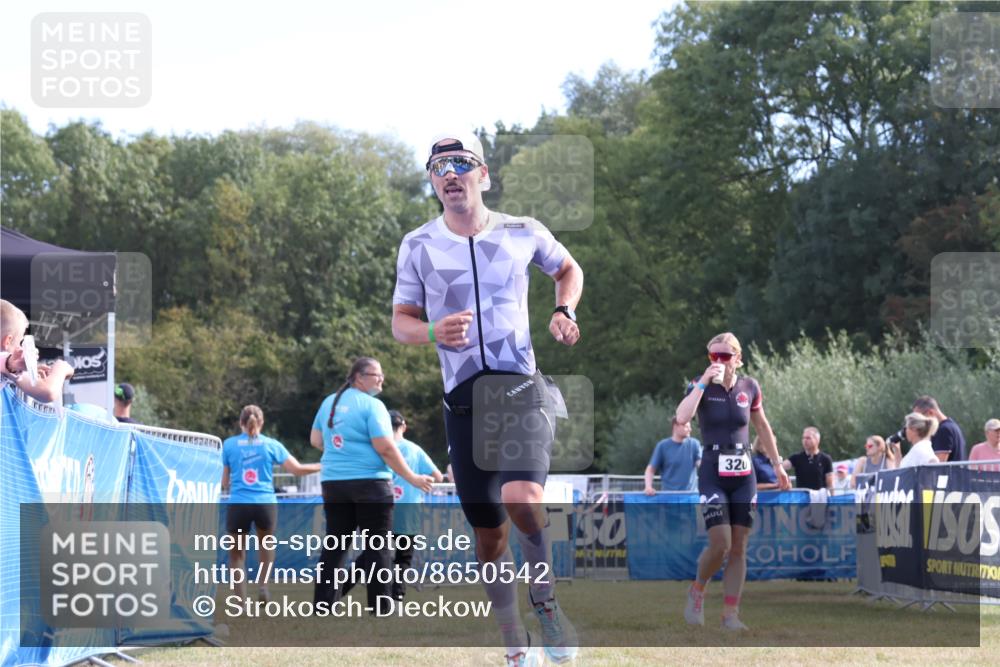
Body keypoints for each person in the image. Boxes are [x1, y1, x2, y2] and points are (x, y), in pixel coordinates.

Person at [391, 132, 584, 666]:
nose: (448, 173)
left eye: (460, 162)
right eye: (437, 166)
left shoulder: (524, 232)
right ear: (433, 182)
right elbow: (401, 324)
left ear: (484, 175)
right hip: (464, 402)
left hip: (521, 388)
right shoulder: (418, 244)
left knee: (524, 498)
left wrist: (564, 311)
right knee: (489, 536)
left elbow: (570, 269)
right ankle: (512, 640)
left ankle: (546, 604)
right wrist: (433, 332)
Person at [674, 332, 790, 631]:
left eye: (725, 356)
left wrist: (778, 465)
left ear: (738, 359)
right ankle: (697, 590)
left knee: (738, 546)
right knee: (720, 543)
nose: (719, 362)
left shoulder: (749, 387)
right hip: (713, 471)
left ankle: (730, 614)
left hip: (743, 472)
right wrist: (702, 382)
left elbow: (762, 426)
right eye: (714, 356)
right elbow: (682, 417)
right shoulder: (700, 386)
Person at [310, 357, 434, 615]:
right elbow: (386, 448)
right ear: (358, 377)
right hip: (370, 484)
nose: (381, 379)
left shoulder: (328, 403)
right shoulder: (373, 405)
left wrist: (344, 452)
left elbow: (316, 440)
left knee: (335, 546)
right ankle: (380, 607)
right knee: (377, 546)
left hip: (334, 483)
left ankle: (323, 605)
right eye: (376, 374)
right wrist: (413, 478)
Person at [221, 405, 321, 602]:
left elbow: (224, 483)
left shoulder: (229, 445)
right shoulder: (271, 445)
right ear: (262, 423)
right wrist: (323, 465)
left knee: (236, 555)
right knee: (266, 547)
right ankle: (263, 586)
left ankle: (240, 603)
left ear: (240, 422)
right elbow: (297, 470)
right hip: (265, 504)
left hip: (239, 503)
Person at [387, 410, 443, 600]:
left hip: (381, 504)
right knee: (404, 556)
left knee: (377, 553)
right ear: (403, 426)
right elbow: (437, 476)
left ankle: (379, 595)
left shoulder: (379, 447)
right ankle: (398, 597)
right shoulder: (414, 449)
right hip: (409, 506)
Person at [0, 299, 75, 403]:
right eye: (20, 341)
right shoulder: (5, 361)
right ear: (7, 341)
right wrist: (61, 369)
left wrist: (26, 371)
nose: (19, 347)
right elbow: (47, 392)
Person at [644, 417, 701, 494]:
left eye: (689, 427)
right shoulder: (662, 446)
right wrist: (648, 487)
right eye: (686, 426)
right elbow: (650, 469)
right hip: (669, 498)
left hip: (690, 498)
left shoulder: (694, 444)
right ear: (675, 426)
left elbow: (702, 465)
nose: (690, 429)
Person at [912, 396, 966, 462]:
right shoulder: (951, 426)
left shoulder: (943, 430)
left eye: (920, 418)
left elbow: (938, 465)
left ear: (930, 412)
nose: (919, 422)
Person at [782, 427, 833, 492]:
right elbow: (781, 467)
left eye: (808, 438)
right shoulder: (796, 457)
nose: (805, 440)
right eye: (803, 438)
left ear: (817, 440)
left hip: (820, 498)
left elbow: (830, 483)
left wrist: (832, 499)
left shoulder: (826, 459)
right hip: (802, 498)